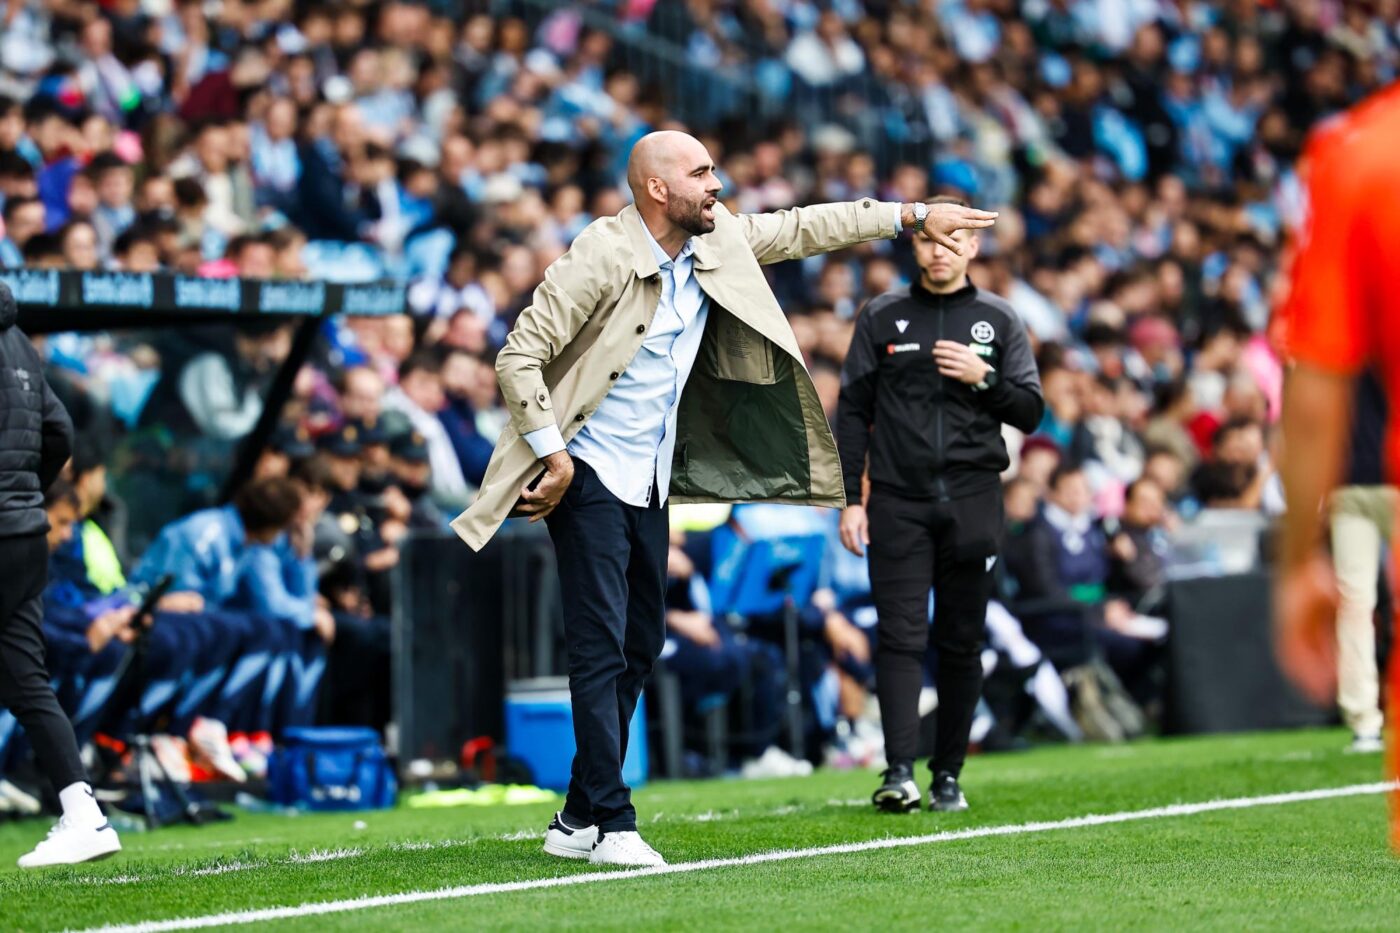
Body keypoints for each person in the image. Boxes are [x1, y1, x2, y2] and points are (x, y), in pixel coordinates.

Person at [450, 131, 996, 866]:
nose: (718, 181)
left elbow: (805, 227)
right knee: (600, 644)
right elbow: (519, 353)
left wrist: (907, 215)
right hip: (583, 472)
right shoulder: (601, 253)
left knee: (641, 642)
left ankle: (576, 814)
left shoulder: (719, 238)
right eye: (701, 172)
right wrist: (553, 456)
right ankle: (613, 822)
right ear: (655, 189)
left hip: (648, 475)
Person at [834, 198, 1043, 813]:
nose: (939, 250)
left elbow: (1030, 411)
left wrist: (984, 377)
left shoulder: (999, 320)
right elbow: (852, 412)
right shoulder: (882, 315)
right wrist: (851, 499)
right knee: (900, 638)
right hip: (897, 502)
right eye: (928, 241)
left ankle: (947, 773)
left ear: (973, 249)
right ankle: (898, 772)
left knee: (961, 642)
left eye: (952, 243)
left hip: (974, 502)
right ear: (915, 246)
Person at [0, 281, 121, 868]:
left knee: (26, 679)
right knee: (27, 679)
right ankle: (84, 816)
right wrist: (27, 492)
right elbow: (61, 432)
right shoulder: (19, 339)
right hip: (25, 531)